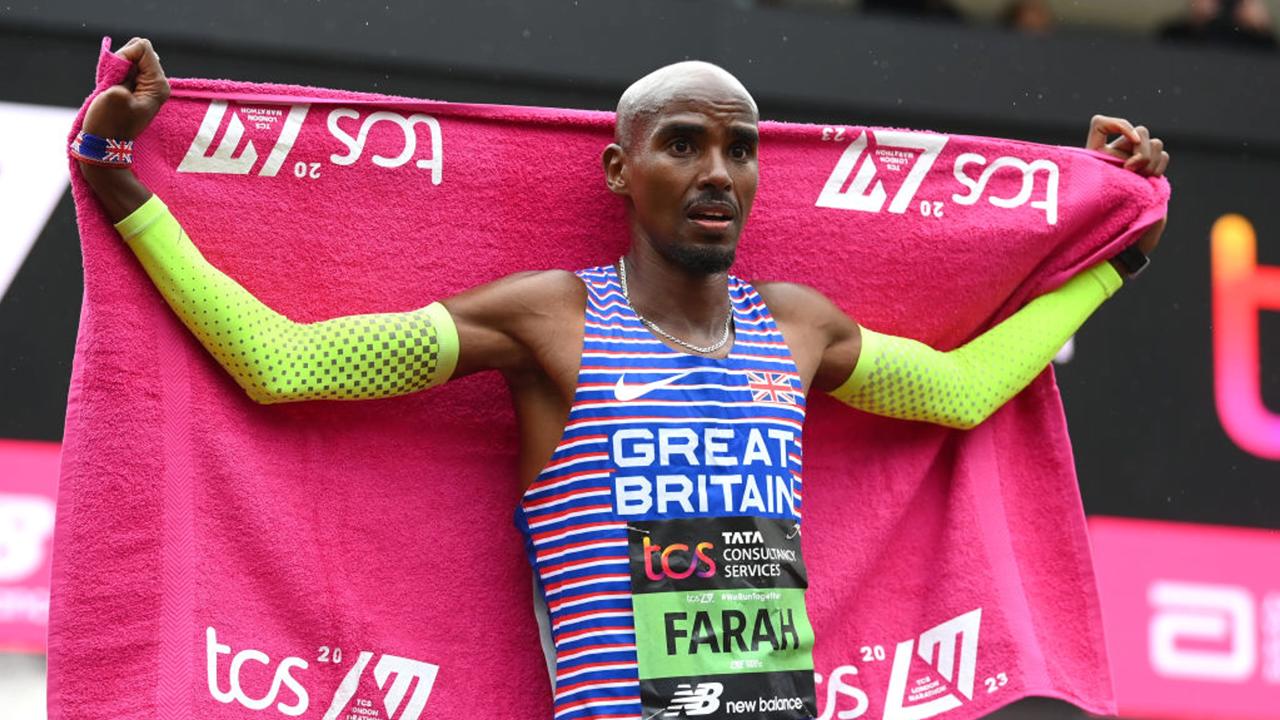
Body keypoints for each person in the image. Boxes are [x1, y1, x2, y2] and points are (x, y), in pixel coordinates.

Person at [75, 37, 1168, 720]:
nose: (716, 174)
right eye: (682, 144)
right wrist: (117, 177)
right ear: (618, 167)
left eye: (737, 151)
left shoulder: (795, 330)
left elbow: (964, 391)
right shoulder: (550, 321)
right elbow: (281, 364)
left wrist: (1104, 258)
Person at [1160, 0, 1278, 50]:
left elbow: (1270, 58)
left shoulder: (1256, 39)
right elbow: (1163, 41)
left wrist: (1262, 30)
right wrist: (1195, 22)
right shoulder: (1176, 33)